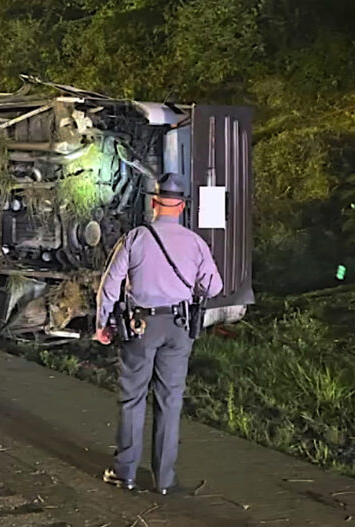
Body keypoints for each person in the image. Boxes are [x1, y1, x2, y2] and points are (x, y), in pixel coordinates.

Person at [94, 173, 223, 495]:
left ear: (154, 203)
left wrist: (101, 324)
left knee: (133, 398)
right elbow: (214, 286)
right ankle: (164, 480)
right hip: (179, 328)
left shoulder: (136, 237)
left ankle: (125, 474)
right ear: (181, 207)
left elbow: (110, 287)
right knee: (170, 401)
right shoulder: (195, 243)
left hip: (141, 327)